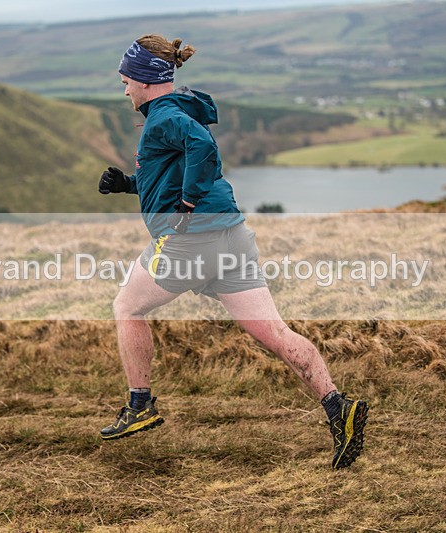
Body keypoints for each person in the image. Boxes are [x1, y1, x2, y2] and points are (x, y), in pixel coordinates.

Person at [98, 34, 369, 469]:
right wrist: (129, 185)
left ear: (145, 79)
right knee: (276, 333)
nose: (124, 87)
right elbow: (175, 167)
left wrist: (187, 204)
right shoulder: (180, 109)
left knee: (127, 306)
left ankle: (139, 405)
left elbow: (203, 150)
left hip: (191, 241)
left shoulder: (164, 116)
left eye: (126, 79)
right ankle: (339, 407)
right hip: (232, 236)